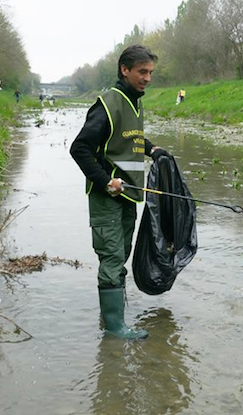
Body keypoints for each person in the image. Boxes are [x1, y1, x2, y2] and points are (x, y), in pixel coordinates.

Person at [70, 45, 170, 340]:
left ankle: (110, 315)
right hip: (108, 197)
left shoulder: (134, 101)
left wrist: (151, 148)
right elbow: (80, 148)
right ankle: (114, 329)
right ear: (124, 70)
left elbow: (129, 138)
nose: (148, 78)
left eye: (150, 72)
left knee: (121, 253)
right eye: (142, 72)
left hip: (128, 195)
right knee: (112, 256)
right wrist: (105, 181)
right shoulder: (108, 104)